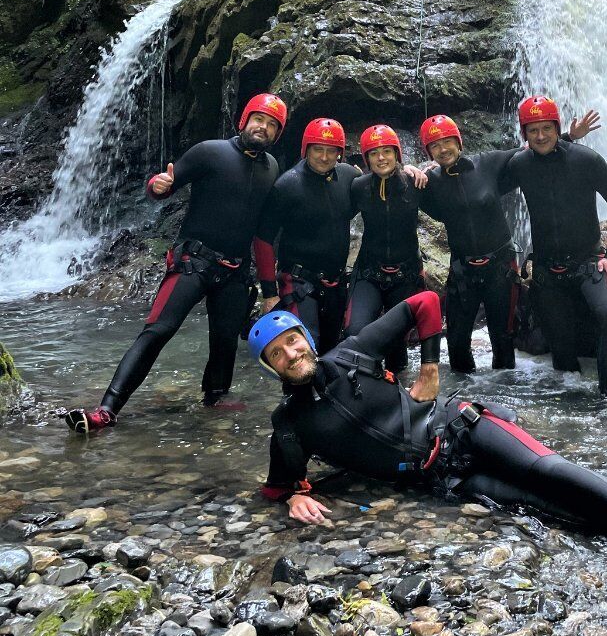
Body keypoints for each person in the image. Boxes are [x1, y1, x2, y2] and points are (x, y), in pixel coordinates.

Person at [248, 301, 607, 586]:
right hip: (445, 478)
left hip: (464, 425)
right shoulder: (289, 423)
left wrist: (432, 367)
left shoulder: (351, 353)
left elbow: (423, 304)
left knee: (550, 471)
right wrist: (294, 494)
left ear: (307, 339)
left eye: (293, 342)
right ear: (269, 368)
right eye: (277, 354)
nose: (290, 354)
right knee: (543, 506)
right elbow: (277, 485)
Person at [64, 93, 287, 433]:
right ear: (244, 120)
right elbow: (162, 185)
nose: (264, 127)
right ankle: (107, 409)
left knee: (225, 340)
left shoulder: (272, 169)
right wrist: (158, 185)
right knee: (158, 330)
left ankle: (215, 400)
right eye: (259, 119)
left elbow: (263, 235)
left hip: (235, 271)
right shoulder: (210, 151)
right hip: (193, 261)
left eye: (273, 125)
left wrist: (269, 289)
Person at [417, 110, 601, 373]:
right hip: (462, 272)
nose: (443, 149)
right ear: (429, 152)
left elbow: (534, 149)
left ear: (459, 142)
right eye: (435, 145)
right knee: (457, 343)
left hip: (499, 268)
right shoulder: (429, 182)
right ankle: (463, 403)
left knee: (502, 340)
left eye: (447, 141)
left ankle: (504, 404)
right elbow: (395, 179)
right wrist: (411, 169)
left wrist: (569, 136)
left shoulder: (488, 163)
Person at [504, 95, 607, 394]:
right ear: (524, 134)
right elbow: (481, 185)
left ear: (556, 127)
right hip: (548, 274)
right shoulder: (519, 164)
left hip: (589, 263)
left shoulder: (586, 160)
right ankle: (568, 419)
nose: (540, 136)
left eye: (546, 129)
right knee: (562, 362)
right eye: (532, 130)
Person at [253, 119, 358, 355]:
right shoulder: (287, 185)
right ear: (306, 149)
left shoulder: (349, 176)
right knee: (305, 349)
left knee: (332, 351)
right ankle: (297, 393)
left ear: (340, 153)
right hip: (299, 282)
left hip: (336, 282)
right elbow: (263, 239)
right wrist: (269, 293)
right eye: (318, 149)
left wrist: (411, 171)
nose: (324, 157)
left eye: (331, 151)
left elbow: (376, 186)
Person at [344, 125, 426, 372]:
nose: (381, 158)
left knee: (397, 342)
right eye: (374, 153)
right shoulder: (358, 186)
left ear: (397, 155)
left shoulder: (415, 183)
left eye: (387, 151)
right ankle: (361, 385)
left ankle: (397, 393)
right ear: (367, 158)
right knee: (355, 331)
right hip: (368, 273)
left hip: (406, 274)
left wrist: (425, 169)